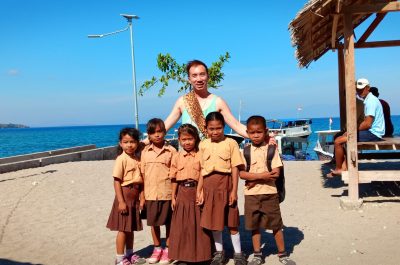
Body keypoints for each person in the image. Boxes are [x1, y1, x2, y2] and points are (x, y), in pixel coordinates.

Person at [239, 116, 295, 265]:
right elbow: (241, 174)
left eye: (259, 132)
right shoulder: (245, 151)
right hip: (251, 195)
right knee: (254, 226)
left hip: (270, 193)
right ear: (247, 132)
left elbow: (275, 174)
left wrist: (254, 179)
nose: (256, 135)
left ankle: (282, 254)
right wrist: (263, 176)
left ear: (266, 131)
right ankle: (257, 254)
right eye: (252, 132)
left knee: (276, 225)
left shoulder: (272, 150)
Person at [197, 112, 247, 265]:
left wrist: (233, 191)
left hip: (225, 185)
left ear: (224, 127)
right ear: (206, 129)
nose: (215, 131)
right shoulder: (203, 144)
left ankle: (238, 254)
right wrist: (199, 190)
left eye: (218, 128)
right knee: (214, 223)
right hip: (208, 186)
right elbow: (201, 169)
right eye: (211, 129)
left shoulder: (231, 143)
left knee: (232, 222)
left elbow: (234, 168)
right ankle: (219, 253)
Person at [164, 59, 248, 138]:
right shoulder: (182, 102)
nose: (199, 79)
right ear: (189, 79)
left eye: (202, 74)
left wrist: (258, 135)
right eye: (194, 76)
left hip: (211, 152)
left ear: (208, 77)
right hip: (189, 152)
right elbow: (164, 127)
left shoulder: (218, 102)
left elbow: (237, 125)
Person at [168, 124, 213, 264]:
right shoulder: (176, 156)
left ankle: (202, 256)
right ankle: (183, 256)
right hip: (182, 192)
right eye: (184, 139)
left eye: (190, 139)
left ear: (196, 139)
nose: (187, 142)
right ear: (179, 140)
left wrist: (200, 192)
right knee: (182, 226)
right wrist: (172, 197)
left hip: (196, 191)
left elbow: (202, 175)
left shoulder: (201, 155)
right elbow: (174, 178)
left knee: (199, 225)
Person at [106, 128, 146, 265]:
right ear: (120, 143)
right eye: (126, 142)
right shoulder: (121, 159)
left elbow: (140, 181)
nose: (129, 145)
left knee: (131, 228)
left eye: (133, 142)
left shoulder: (137, 158)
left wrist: (142, 197)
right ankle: (120, 258)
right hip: (124, 195)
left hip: (134, 196)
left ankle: (130, 254)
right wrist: (121, 201)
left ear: (137, 143)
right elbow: (117, 181)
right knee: (123, 229)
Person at [330, 78, 385, 176]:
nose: (359, 91)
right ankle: (344, 167)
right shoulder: (368, 100)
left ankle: (339, 169)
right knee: (342, 138)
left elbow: (367, 124)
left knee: (338, 141)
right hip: (373, 131)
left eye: (361, 89)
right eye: (358, 89)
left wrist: (351, 131)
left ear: (368, 88)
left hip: (374, 133)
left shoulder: (371, 101)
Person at [140, 119, 177, 264]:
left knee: (169, 223)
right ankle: (157, 248)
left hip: (166, 193)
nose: (157, 135)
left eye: (160, 131)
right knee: (154, 223)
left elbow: (175, 175)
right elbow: (142, 176)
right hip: (150, 194)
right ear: (148, 135)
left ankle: (168, 249)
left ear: (164, 132)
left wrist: (174, 195)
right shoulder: (144, 152)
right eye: (153, 132)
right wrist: (142, 196)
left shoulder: (171, 151)